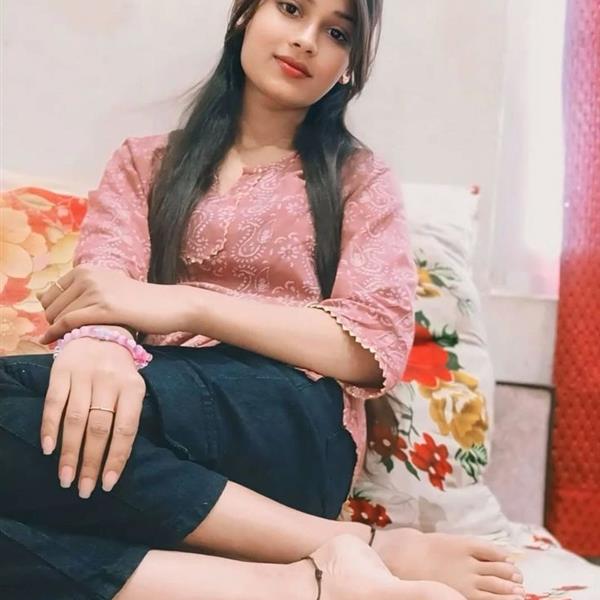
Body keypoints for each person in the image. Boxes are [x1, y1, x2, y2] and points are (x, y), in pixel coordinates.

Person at [0, 1, 527, 599]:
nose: (306, 39)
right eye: (291, 8)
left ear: (349, 65)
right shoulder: (145, 163)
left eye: (336, 32)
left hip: (289, 421)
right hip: (150, 421)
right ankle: (309, 580)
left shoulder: (357, 179)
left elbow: (373, 344)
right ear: (244, 15)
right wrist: (100, 346)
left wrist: (189, 305)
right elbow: (105, 281)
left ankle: (364, 545)